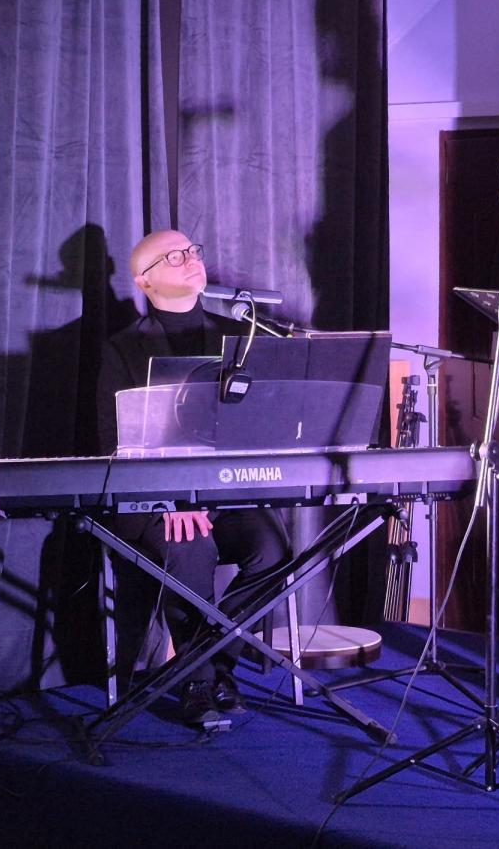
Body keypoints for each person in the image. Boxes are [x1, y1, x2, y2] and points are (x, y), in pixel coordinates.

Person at [97, 229, 290, 725]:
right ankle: (200, 685)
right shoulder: (121, 349)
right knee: (191, 547)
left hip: (224, 494)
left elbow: (256, 426)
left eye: (192, 251)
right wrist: (173, 498)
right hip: (153, 501)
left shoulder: (240, 336)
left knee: (273, 550)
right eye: (173, 256)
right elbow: (116, 443)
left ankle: (213, 664)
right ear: (144, 281)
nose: (190, 259)